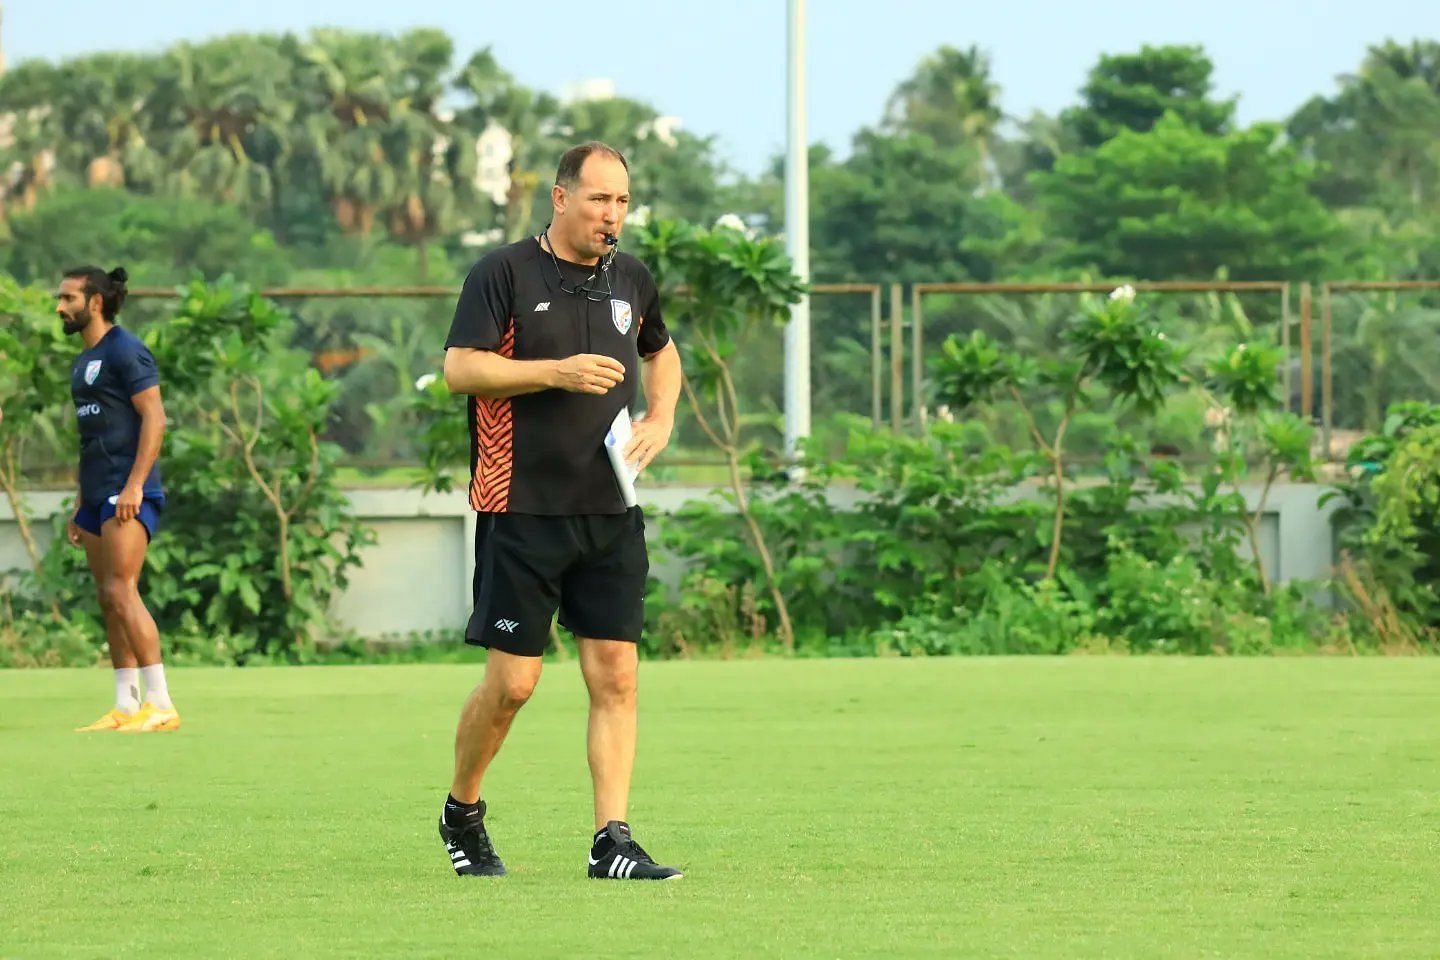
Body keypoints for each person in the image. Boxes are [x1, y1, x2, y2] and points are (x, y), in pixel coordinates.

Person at [437, 141, 684, 880]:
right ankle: (462, 809)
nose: (613, 216)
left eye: (623, 203)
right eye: (599, 199)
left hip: (610, 509)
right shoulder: (504, 273)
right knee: (514, 684)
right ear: (560, 197)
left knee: (616, 675)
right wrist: (555, 373)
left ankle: (611, 838)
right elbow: (459, 369)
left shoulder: (631, 278)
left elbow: (661, 352)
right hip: (521, 508)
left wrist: (662, 419)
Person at [61, 266, 178, 733]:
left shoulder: (127, 349)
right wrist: (79, 502)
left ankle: (162, 703)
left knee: (121, 589)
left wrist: (133, 486)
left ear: (94, 302)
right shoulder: (81, 360)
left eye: (68, 298)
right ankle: (125, 706)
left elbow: (155, 419)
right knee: (108, 599)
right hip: (95, 493)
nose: (59, 306)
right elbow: (91, 437)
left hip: (128, 489)